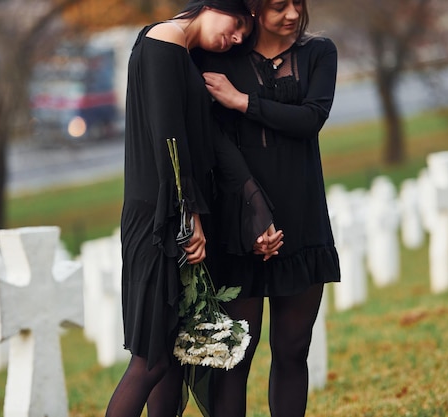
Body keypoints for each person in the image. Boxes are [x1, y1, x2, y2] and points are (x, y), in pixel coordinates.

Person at [104, 2, 282, 416]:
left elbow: (200, 139)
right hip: (159, 220)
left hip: (165, 214)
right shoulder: (163, 43)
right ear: (213, 4)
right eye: (237, 25)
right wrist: (189, 217)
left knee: (167, 361)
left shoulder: (177, 51)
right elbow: (169, 141)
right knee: (150, 362)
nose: (236, 37)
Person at [198, 0, 341, 415]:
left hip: (301, 220)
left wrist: (242, 101)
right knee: (235, 358)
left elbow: (310, 118)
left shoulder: (319, 52)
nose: (293, 14)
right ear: (256, 8)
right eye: (280, 5)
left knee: (293, 350)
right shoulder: (221, 56)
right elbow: (214, 139)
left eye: (299, 2)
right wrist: (252, 216)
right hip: (240, 224)